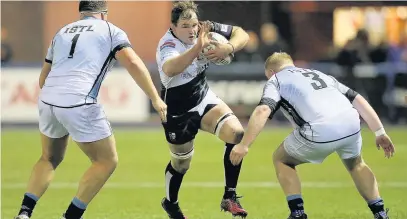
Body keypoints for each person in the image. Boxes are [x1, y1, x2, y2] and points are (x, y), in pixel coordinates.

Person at [14, 1, 167, 219]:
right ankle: (71, 216)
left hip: (47, 99)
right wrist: (155, 98)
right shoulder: (110, 30)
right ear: (103, 13)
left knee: (49, 158)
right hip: (79, 101)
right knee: (106, 161)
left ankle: (24, 213)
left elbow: (43, 78)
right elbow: (132, 62)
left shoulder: (62, 32)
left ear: (81, 13)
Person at [229, 52, 395, 219]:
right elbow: (357, 98)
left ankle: (297, 213)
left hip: (320, 130)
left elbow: (263, 110)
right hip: (352, 123)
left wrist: (244, 145)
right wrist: (379, 131)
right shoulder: (319, 74)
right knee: (356, 164)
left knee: (281, 159)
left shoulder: (276, 80)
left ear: (271, 72)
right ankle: (380, 213)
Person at [156, 1, 249, 218]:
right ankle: (171, 203)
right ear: (173, 26)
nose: (192, 30)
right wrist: (199, 45)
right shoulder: (167, 44)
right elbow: (170, 69)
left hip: (203, 97)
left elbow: (241, 33)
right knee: (181, 164)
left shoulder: (204, 28)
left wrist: (229, 47)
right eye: (185, 25)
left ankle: (230, 196)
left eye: (194, 24)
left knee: (236, 133)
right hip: (177, 111)